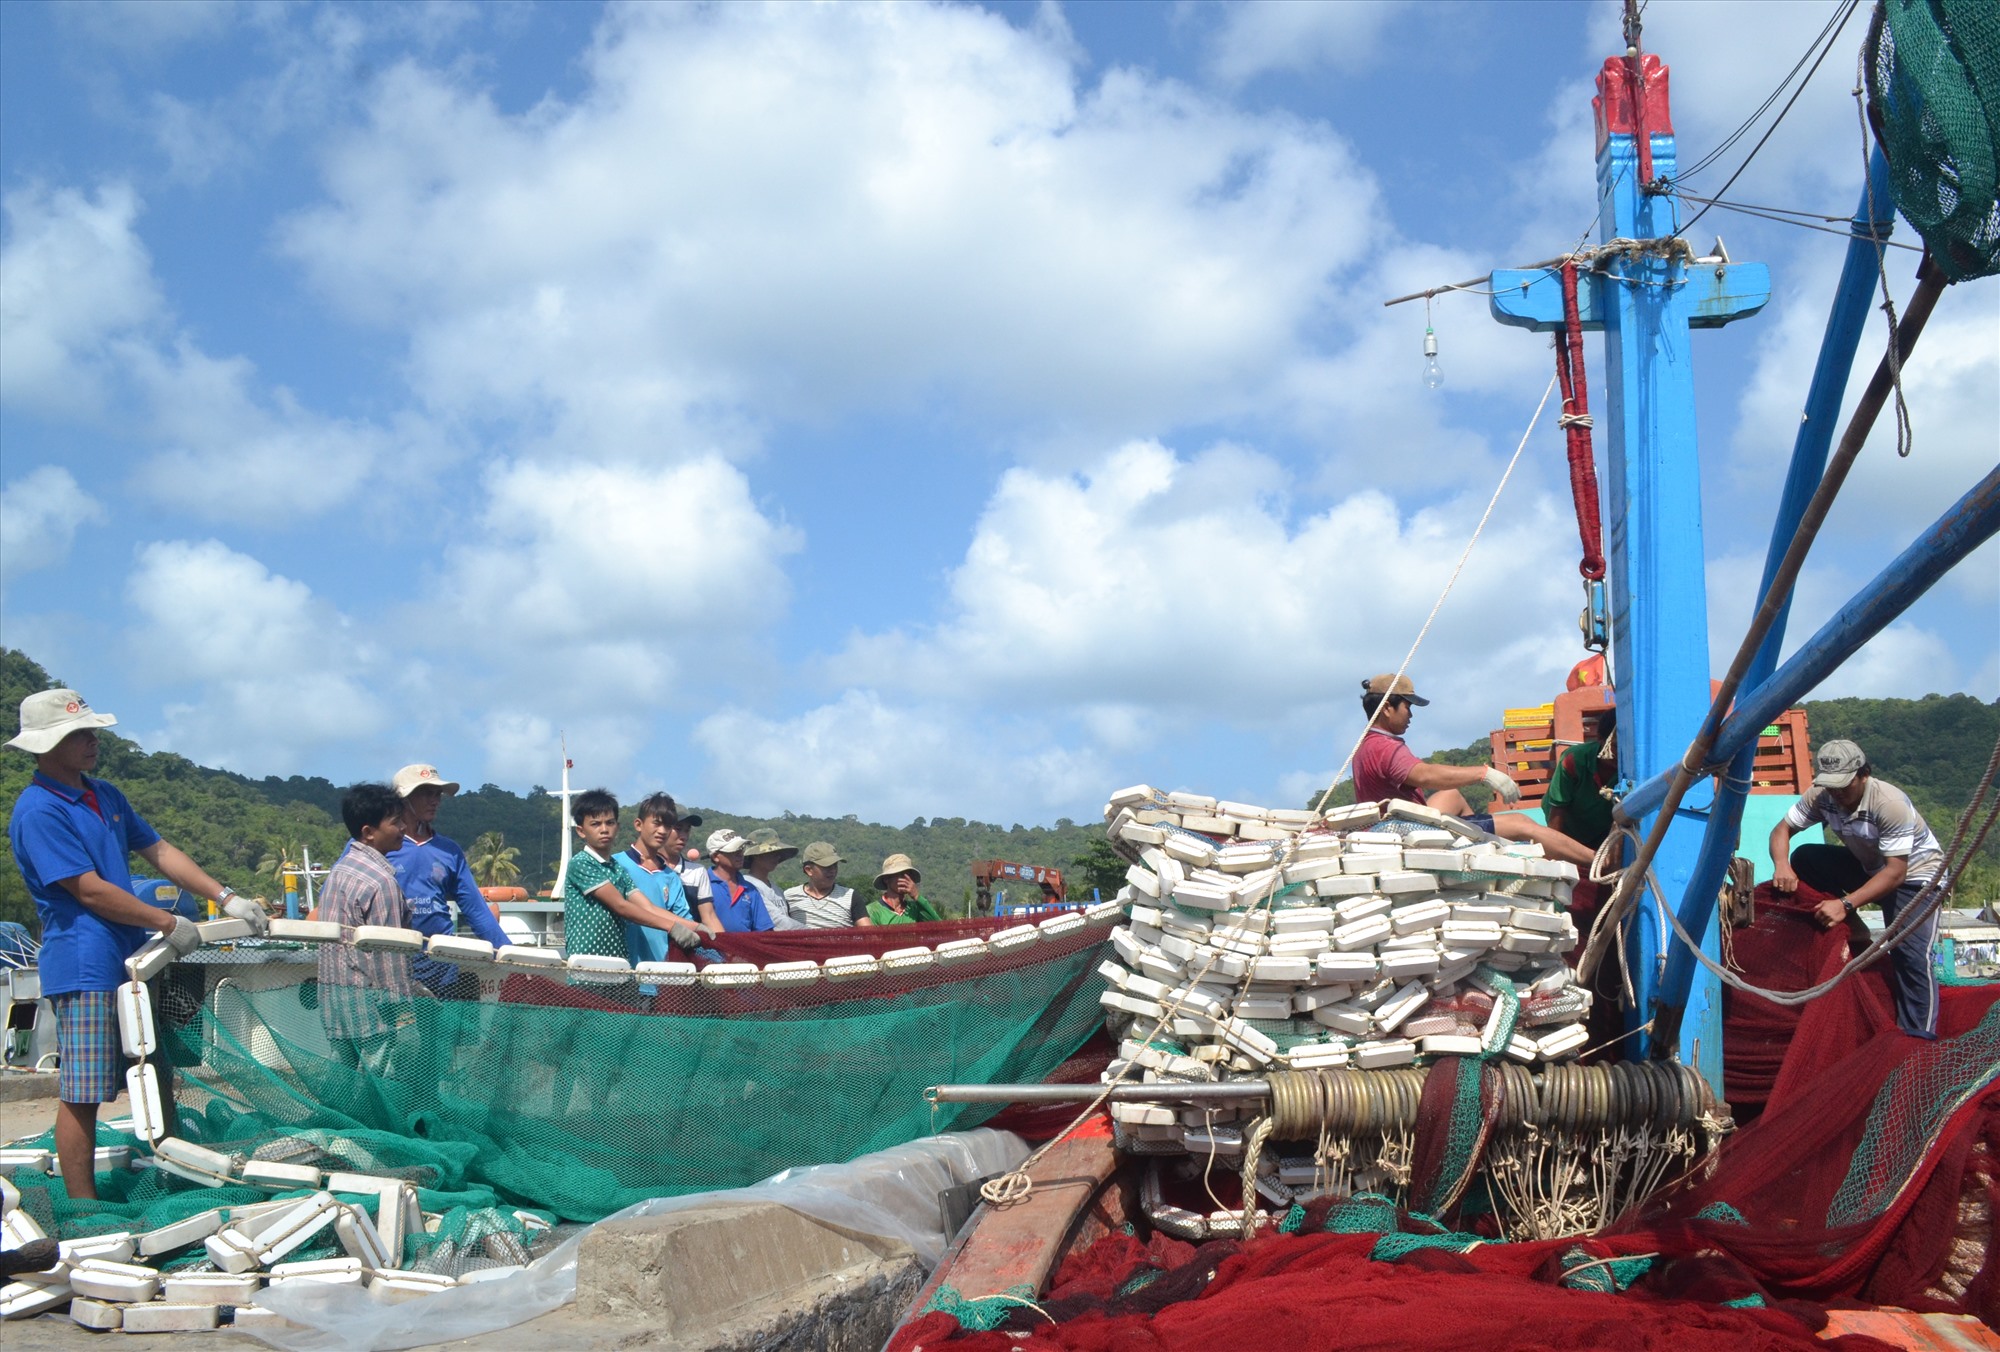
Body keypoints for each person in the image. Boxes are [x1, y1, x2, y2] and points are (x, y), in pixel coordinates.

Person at [6, 688, 264, 1201]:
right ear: (45, 745)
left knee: (155, 1073)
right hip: (85, 966)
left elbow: (159, 849)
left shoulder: (105, 794)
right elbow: (86, 888)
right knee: (84, 1093)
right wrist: (165, 922)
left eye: (90, 732)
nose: (90, 742)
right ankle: (84, 1208)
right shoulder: (38, 810)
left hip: (135, 961)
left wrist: (225, 896)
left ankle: (172, 1169)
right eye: (76, 734)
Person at [1770, 740, 1947, 1039]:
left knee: (1909, 955)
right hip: (1869, 869)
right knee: (1805, 858)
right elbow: (1782, 830)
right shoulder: (1822, 796)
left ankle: (1918, 1039)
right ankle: (1855, 928)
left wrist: (1845, 903)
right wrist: (1781, 865)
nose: (1837, 794)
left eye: (1844, 785)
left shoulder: (1889, 804)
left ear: (1863, 774)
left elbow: (1895, 873)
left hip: (1915, 878)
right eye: (1831, 786)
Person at [1350, 673, 1596, 869]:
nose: (1411, 714)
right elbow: (1424, 775)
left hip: (1397, 823)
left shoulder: (1368, 744)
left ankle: (1477, 843)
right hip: (1409, 831)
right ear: (1386, 709)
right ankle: (1600, 863)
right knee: (1522, 823)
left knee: (1452, 795)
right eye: (1407, 706)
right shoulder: (1384, 747)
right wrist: (1484, 774)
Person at [317, 783, 430, 1073]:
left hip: (336, 1008)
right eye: (396, 822)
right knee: (378, 1097)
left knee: (343, 1093)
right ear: (369, 832)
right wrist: (405, 1019)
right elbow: (388, 960)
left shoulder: (338, 872)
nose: (404, 828)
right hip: (375, 1017)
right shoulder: (381, 883)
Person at [386, 764, 512, 999]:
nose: (435, 800)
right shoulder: (377, 843)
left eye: (437, 794)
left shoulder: (449, 850)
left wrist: (510, 955)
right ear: (403, 798)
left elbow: (477, 911)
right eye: (426, 793)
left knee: (441, 1035)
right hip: (391, 965)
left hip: (442, 965)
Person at [563, 790, 713, 960]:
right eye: (596, 824)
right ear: (581, 831)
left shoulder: (616, 869)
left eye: (610, 823)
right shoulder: (582, 862)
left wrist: (696, 927)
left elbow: (648, 907)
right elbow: (621, 906)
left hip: (622, 968)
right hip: (587, 963)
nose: (604, 830)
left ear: (617, 826)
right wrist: (672, 927)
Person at [617, 793, 719, 962]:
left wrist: (702, 932)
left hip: (662, 971)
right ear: (638, 824)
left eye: (668, 825)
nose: (662, 831)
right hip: (623, 971)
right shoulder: (616, 864)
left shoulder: (671, 877)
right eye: (657, 823)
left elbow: (684, 920)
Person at [1543, 708, 1618, 852]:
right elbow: (1557, 812)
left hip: (1602, 833)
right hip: (1567, 829)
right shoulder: (1573, 761)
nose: (1621, 752)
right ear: (1600, 739)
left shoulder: (1630, 768)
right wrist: (1556, 854)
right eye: (1615, 746)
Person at [704, 829, 775, 932]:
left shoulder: (750, 890)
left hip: (745, 947)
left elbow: (764, 930)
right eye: (733, 850)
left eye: (741, 849)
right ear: (716, 857)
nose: (740, 854)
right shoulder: (703, 884)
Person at [784, 842, 859, 928]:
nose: (833, 870)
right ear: (808, 870)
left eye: (835, 865)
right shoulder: (789, 897)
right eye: (827, 866)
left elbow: (868, 933)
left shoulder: (850, 895)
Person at [742, 829, 806, 929]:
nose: (777, 857)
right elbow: (777, 921)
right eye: (771, 853)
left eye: (778, 853)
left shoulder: (777, 890)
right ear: (756, 856)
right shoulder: (748, 886)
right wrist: (813, 934)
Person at [860, 854, 943, 925]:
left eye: (908, 875)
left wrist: (916, 896)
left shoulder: (914, 908)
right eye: (900, 875)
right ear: (886, 879)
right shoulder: (873, 911)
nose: (905, 879)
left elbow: (939, 927)